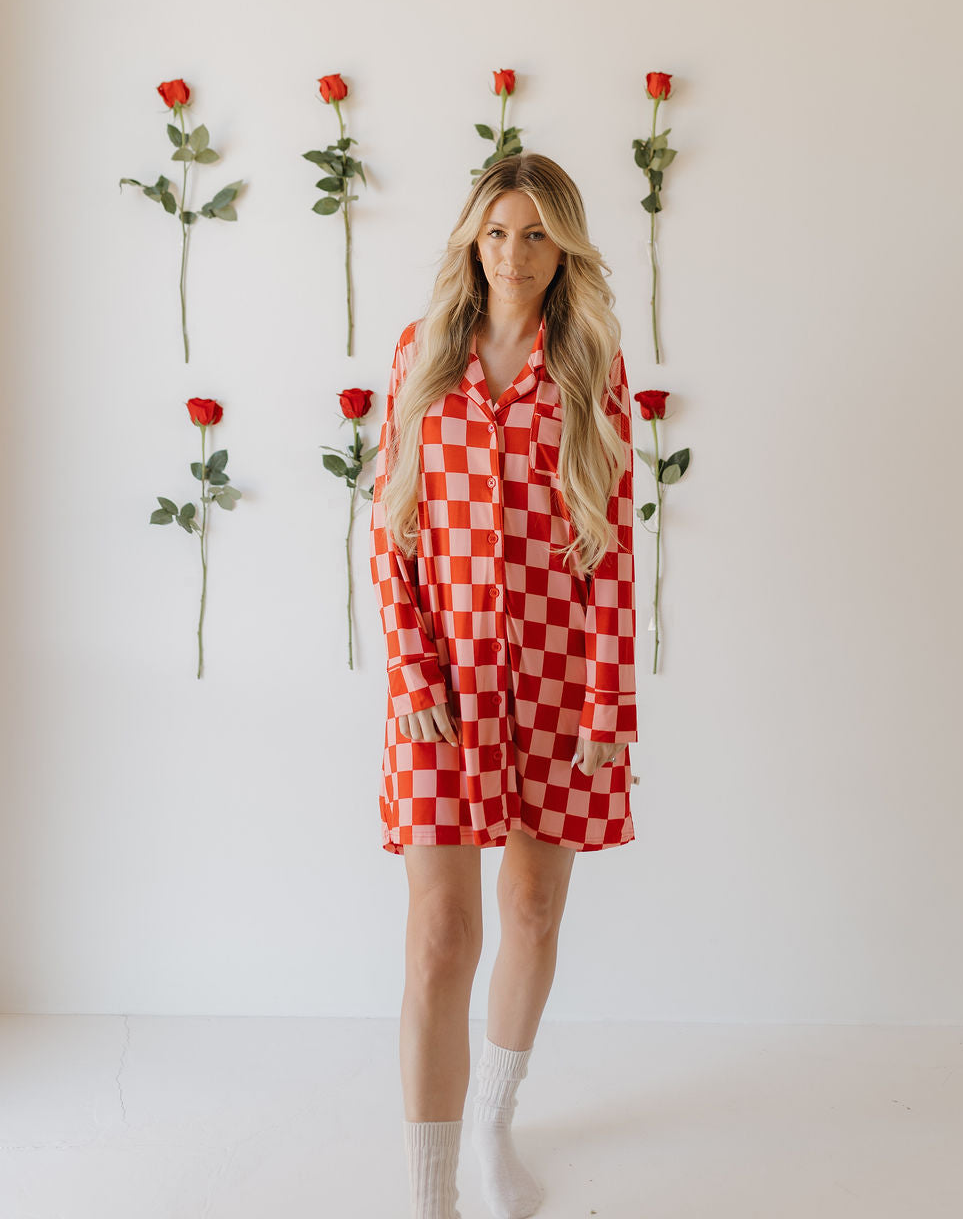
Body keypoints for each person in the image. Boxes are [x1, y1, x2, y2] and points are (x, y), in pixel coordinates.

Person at [369, 152, 638, 1219]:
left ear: (561, 245)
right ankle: (428, 1197)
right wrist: (408, 669)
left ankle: (493, 1124)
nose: (512, 255)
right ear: (469, 242)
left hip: (561, 678)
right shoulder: (421, 355)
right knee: (440, 936)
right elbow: (388, 532)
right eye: (495, 233)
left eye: (534, 235)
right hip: (442, 684)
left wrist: (606, 698)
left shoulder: (587, 362)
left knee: (529, 904)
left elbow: (611, 542)